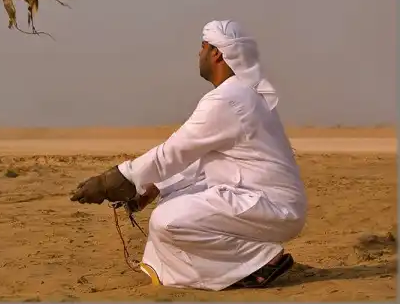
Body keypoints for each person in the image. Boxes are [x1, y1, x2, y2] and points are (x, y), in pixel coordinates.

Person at [70, 19, 307, 291]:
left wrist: (112, 181)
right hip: (261, 201)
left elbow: (173, 152)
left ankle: (259, 261)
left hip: (271, 207)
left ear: (217, 53)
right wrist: (155, 187)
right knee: (172, 202)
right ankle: (237, 266)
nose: (198, 53)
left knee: (169, 220)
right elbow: (199, 159)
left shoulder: (229, 99)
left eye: (203, 46)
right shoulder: (241, 94)